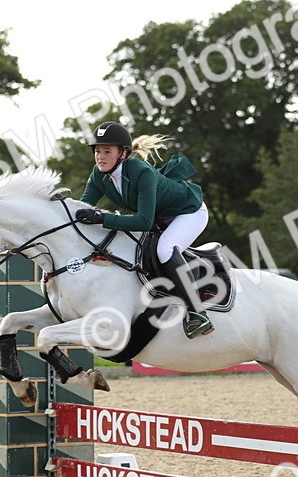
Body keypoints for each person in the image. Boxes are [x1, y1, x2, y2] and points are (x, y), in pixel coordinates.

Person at [75, 121, 213, 339]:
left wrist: (103, 218)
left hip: (188, 212)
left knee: (164, 249)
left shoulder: (141, 172)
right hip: (160, 217)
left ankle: (197, 312)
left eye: (107, 151)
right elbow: (82, 210)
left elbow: (144, 222)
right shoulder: (98, 175)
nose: (100, 157)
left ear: (123, 154)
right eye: (97, 151)